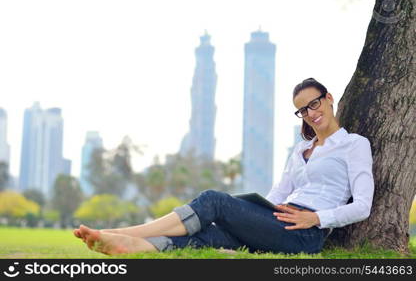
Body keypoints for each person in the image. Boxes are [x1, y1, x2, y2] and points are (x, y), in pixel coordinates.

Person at [74, 78, 374, 255]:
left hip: (305, 235)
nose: (310, 113)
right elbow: (279, 192)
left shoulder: (354, 145)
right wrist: (258, 214)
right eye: (302, 109)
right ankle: (129, 247)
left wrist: (315, 219)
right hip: (278, 223)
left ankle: (126, 232)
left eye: (314, 103)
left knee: (212, 200)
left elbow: (362, 206)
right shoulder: (301, 150)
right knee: (209, 235)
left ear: (329, 99)